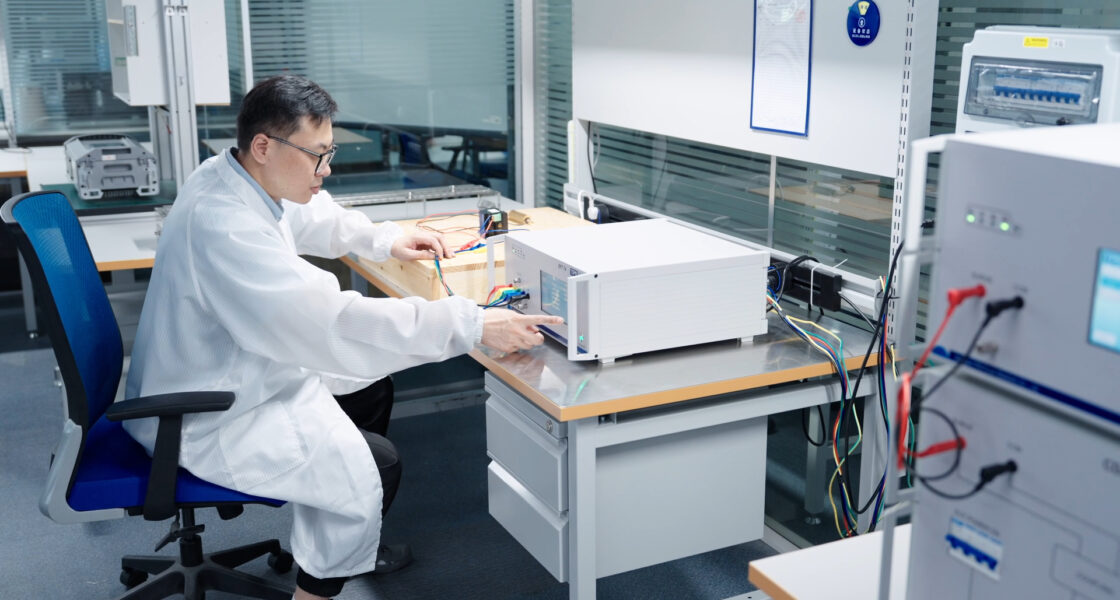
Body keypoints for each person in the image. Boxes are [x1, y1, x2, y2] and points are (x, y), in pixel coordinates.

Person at [123, 75, 562, 600]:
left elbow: (308, 215)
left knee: (370, 386)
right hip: (207, 410)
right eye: (317, 156)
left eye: (328, 153)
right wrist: (470, 324)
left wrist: (386, 239)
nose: (326, 170)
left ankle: (346, 540)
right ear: (263, 146)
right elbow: (333, 323)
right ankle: (320, 579)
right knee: (374, 467)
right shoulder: (223, 225)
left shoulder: (233, 177)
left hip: (229, 367)